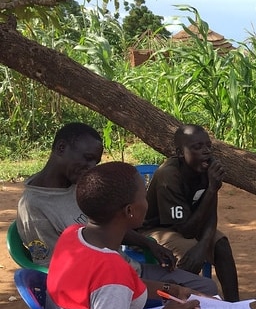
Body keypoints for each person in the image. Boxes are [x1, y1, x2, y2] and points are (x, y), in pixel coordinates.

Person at [16, 122, 217, 298]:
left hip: (127, 270)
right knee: (199, 299)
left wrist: (150, 245)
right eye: (87, 158)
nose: (91, 167)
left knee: (206, 287)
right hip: (106, 287)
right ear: (61, 148)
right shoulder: (35, 208)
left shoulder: (78, 186)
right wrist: (164, 289)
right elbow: (61, 274)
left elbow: (108, 226)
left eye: (95, 161)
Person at [47, 162, 201, 309]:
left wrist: (170, 289)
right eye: (144, 196)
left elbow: (120, 285)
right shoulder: (112, 274)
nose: (147, 202)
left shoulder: (72, 234)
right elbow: (113, 284)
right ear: (129, 211)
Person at [141, 124, 240, 302]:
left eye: (208, 146)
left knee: (221, 246)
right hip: (155, 227)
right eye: (197, 147)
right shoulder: (169, 176)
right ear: (180, 153)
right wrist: (212, 188)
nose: (206, 151)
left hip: (187, 222)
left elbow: (210, 214)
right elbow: (186, 230)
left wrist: (203, 245)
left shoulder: (206, 168)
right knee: (189, 251)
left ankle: (235, 307)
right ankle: (176, 306)